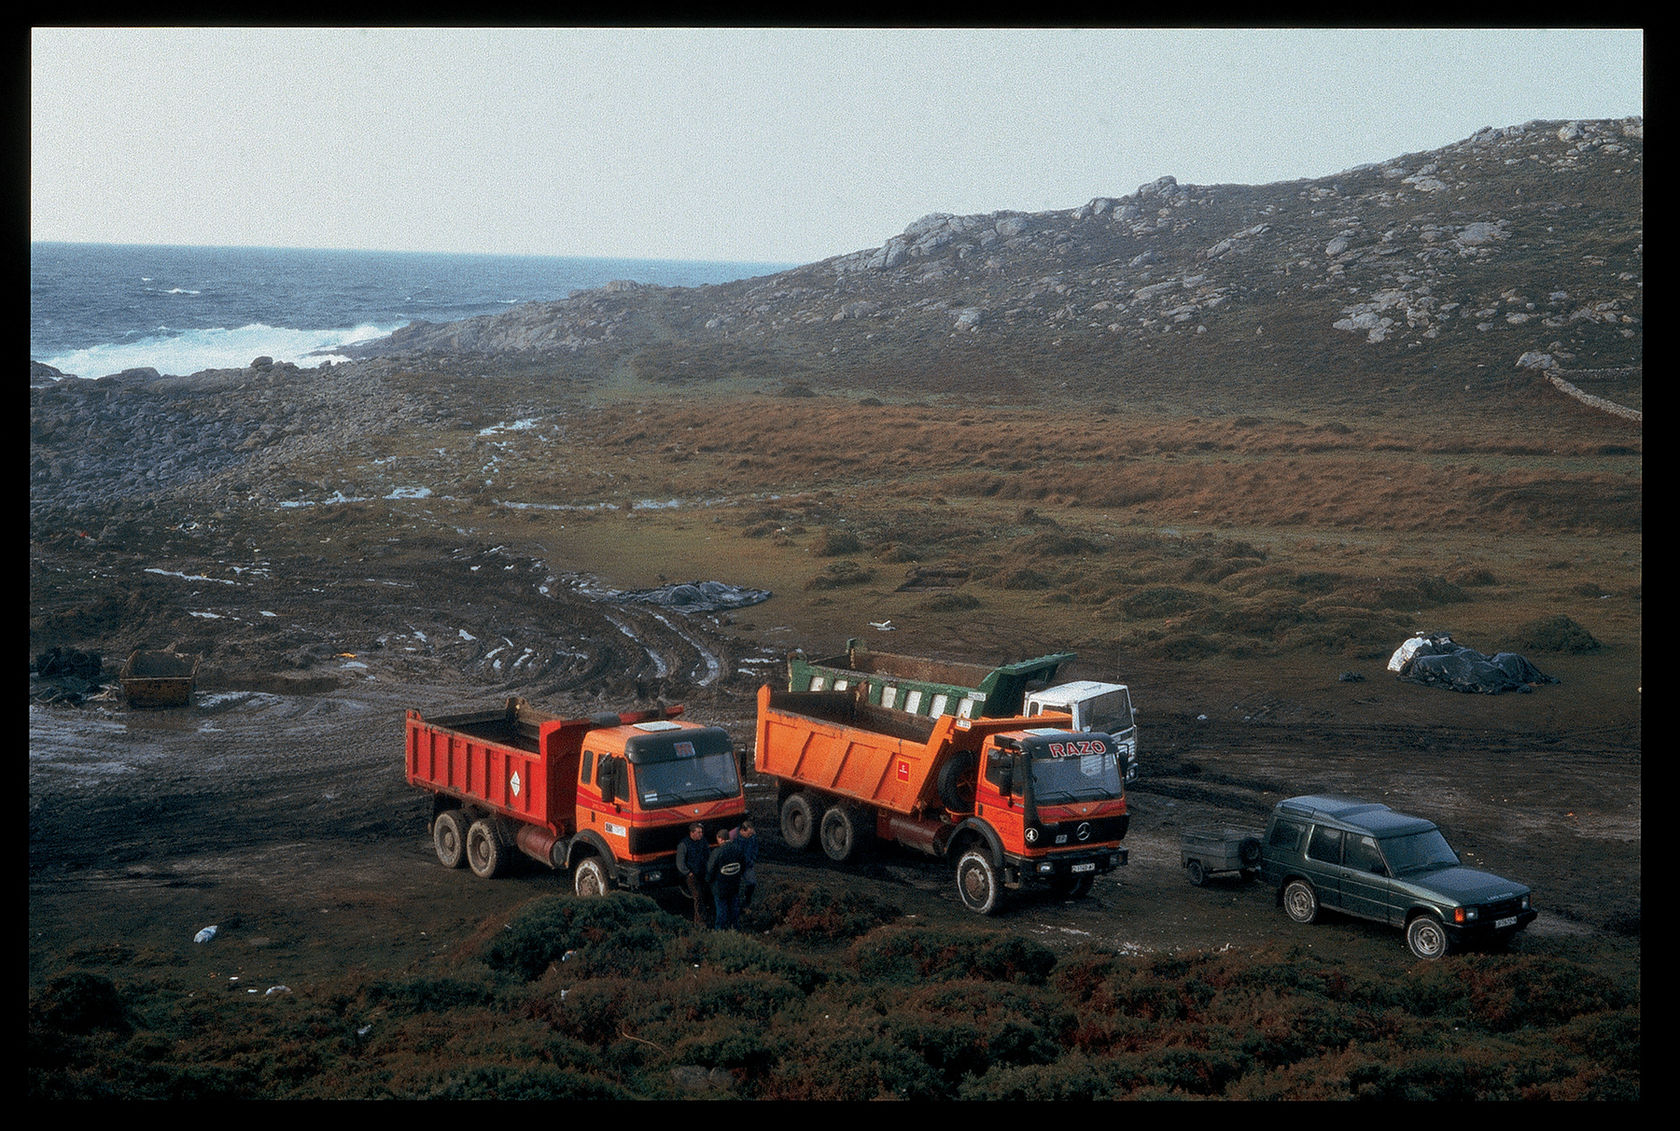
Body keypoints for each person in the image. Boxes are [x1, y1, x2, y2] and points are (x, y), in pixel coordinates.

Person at [706, 826, 748, 930]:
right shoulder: (738, 849)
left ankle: (721, 931)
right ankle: (735, 928)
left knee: (721, 910)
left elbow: (710, 869)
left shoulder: (717, 852)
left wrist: (708, 881)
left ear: (720, 838)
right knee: (734, 908)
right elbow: (743, 866)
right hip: (734, 885)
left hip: (720, 887)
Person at [676, 822, 711, 926]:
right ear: (692, 833)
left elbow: (707, 855)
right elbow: (680, 863)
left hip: (702, 873)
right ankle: (700, 921)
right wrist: (688, 873)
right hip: (692, 876)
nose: (701, 834)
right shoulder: (683, 844)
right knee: (698, 896)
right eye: (698, 832)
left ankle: (702, 918)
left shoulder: (703, 842)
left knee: (703, 895)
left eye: (701, 832)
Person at [735, 817, 759, 913]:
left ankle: (746, 903)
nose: (750, 835)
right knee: (734, 886)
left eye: (751, 833)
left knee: (752, 883)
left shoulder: (752, 837)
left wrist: (752, 859)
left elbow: (755, 848)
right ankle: (735, 906)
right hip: (737, 866)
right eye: (748, 834)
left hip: (748, 864)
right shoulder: (734, 837)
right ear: (742, 831)